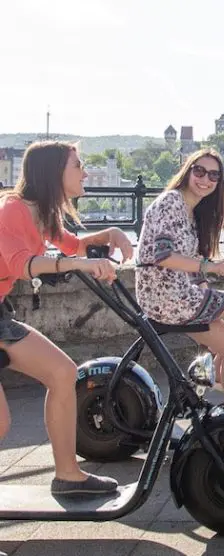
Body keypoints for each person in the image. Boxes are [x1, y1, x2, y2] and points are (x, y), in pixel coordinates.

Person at [0, 140, 134, 494]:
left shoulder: (41, 211)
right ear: (53, 171)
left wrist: (113, 234)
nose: (85, 171)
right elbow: (23, 264)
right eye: (78, 165)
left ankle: (68, 475)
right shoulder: (11, 209)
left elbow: (73, 245)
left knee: (62, 373)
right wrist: (78, 263)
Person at [135, 148, 224, 401]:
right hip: (167, 298)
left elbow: (189, 261)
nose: (205, 180)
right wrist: (213, 267)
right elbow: (163, 256)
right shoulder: (171, 202)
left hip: (181, 294)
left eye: (213, 175)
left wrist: (203, 280)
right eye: (200, 171)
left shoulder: (191, 213)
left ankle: (216, 376)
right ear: (188, 171)